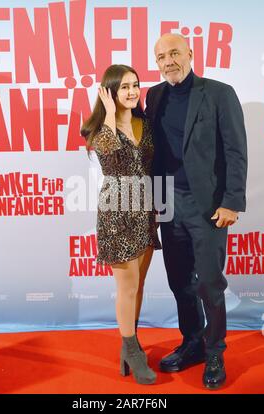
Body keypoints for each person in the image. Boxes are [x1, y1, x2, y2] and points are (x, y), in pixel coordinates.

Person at [146, 34, 247, 389]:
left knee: (208, 283)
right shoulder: (154, 96)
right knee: (179, 283)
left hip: (208, 208)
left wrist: (233, 201)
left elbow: (235, 151)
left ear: (190, 53)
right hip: (169, 204)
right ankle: (192, 343)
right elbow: (152, 152)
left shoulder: (220, 93)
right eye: (161, 56)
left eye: (174, 53)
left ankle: (215, 350)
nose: (168, 61)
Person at [81, 64, 161, 385]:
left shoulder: (147, 124)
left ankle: (131, 343)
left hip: (146, 211)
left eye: (135, 85)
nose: (131, 92)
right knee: (126, 288)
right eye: (124, 86)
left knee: (138, 284)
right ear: (110, 92)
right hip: (117, 213)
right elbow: (113, 162)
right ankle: (132, 350)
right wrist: (111, 115)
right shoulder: (98, 128)